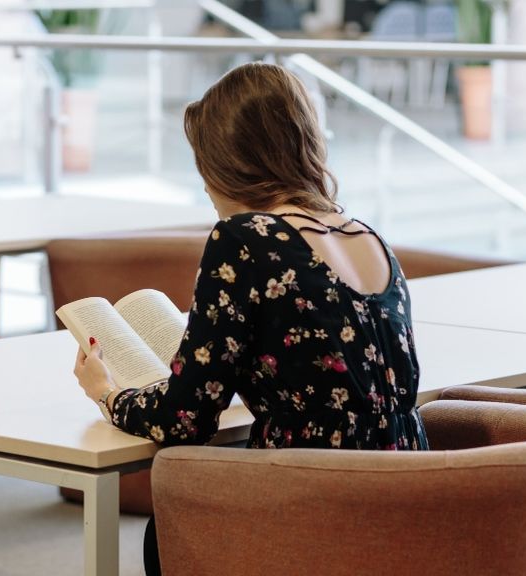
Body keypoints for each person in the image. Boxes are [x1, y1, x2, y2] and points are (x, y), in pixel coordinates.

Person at [73, 62, 429, 575]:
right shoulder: (368, 236)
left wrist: (107, 392)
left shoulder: (244, 237)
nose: (204, 189)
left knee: (168, 525)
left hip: (318, 499)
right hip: (414, 495)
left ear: (228, 163)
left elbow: (185, 420)